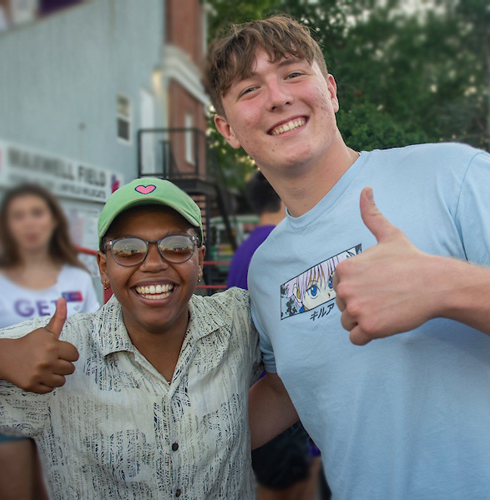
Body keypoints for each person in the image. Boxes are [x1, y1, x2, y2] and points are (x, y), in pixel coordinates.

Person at [204, 15, 490, 499]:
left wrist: (446, 287)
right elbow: (287, 387)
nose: (278, 97)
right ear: (228, 129)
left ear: (330, 91)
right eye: (249, 89)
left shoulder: (452, 175)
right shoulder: (266, 270)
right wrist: (167, 438)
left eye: (294, 73)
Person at [0, 177, 263, 499]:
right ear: (104, 267)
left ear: (200, 260)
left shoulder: (238, 321)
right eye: (128, 250)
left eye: (176, 246)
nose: (153, 264)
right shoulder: (59, 349)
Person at [0, 183, 100, 500]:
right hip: (3, 417)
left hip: (67, 412)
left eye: (37, 213)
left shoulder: (77, 278)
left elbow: (93, 337)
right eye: (18, 216)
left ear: (53, 221)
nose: (29, 223)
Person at [227, 170, 323, 500]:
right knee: (298, 486)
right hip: (282, 390)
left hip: (253, 388)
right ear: (283, 196)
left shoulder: (245, 250)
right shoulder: (282, 248)